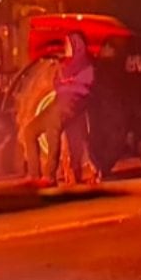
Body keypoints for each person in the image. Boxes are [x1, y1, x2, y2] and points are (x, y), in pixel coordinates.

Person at [20, 31, 94, 187]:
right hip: (58, 101)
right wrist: (64, 79)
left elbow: (83, 86)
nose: (65, 47)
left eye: (68, 44)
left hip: (71, 103)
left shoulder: (85, 64)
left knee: (52, 128)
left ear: (76, 45)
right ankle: (33, 174)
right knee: (30, 131)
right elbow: (57, 83)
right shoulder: (64, 65)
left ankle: (50, 176)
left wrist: (67, 82)